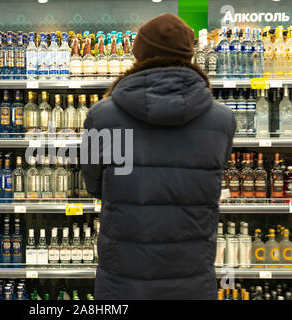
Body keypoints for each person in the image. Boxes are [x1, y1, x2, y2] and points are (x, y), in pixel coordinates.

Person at [80, 13, 236, 300]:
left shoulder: (103, 116)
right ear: (189, 54)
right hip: (191, 273)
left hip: (124, 274)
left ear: (139, 55)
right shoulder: (222, 119)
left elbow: (96, 186)